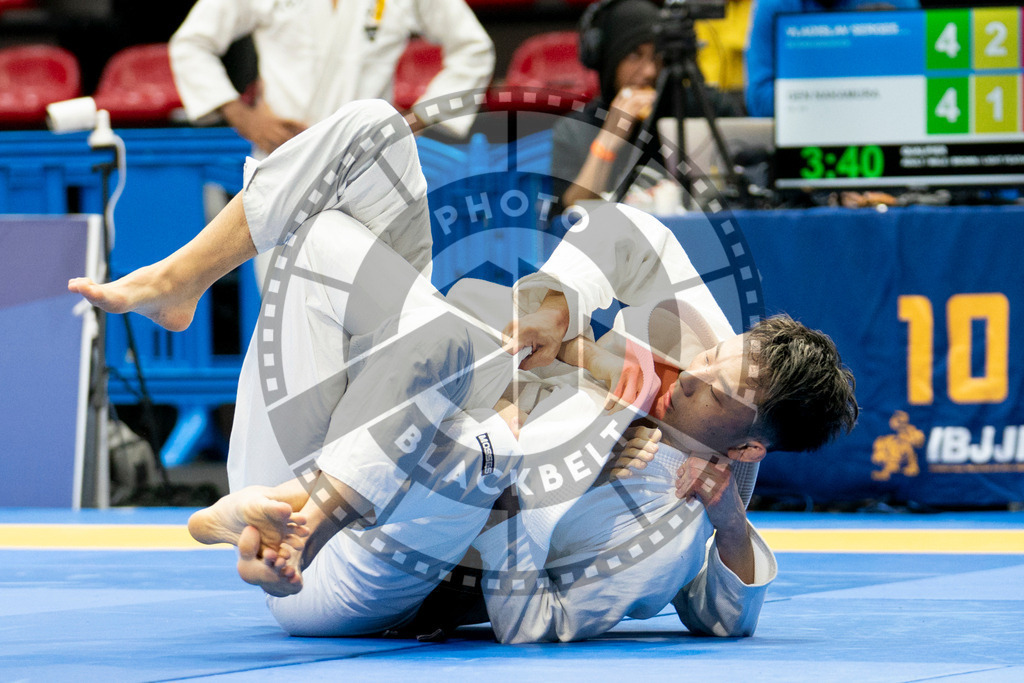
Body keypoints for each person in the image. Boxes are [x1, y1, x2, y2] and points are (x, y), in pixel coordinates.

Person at [69, 99, 858, 643]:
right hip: (321, 428)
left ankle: (300, 519)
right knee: (369, 145)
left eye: (716, 387)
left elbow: (550, 620)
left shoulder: (669, 526)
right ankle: (183, 282)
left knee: (475, 401)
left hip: (373, 555)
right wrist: (557, 303)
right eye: (715, 352)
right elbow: (627, 232)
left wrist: (531, 493)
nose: (695, 368)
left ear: (747, 449)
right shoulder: (694, 354)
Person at [169, 0, 496, 153]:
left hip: (371, 158)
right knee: (281, 287)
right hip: (284, 153)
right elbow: (191, 44)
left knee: (374, 285)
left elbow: (473, 47)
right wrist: (242, 117)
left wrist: (418, 119)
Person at [551, 0, 741, 213]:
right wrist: (607, 142)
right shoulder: (577, 129)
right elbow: (570, 215)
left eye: (658, 56)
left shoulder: (707, 109)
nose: (650, 71)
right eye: (634, 55)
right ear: (608, 57)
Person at [745, 0, 919, 117]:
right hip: (803, 139)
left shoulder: (899, 3)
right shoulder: (774, 4)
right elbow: (759, 101)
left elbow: (917, 92)